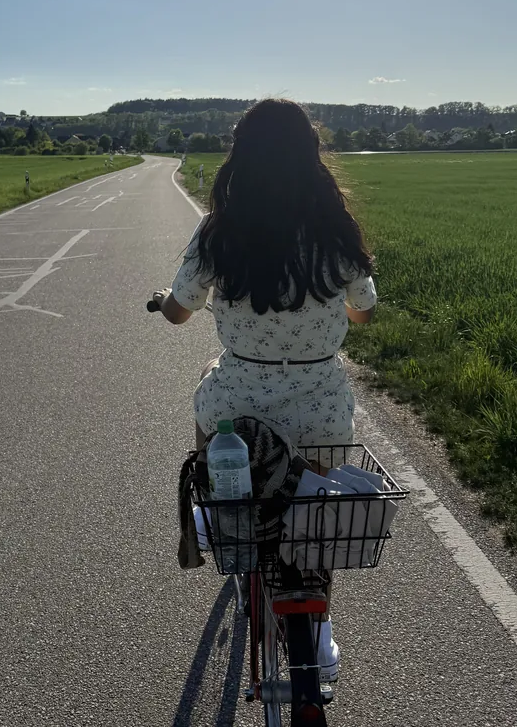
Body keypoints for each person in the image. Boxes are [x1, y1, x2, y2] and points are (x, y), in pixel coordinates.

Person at [152, 98, 376, 683]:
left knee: (209, 394)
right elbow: (364, 312)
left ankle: (211, 512)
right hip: (322, 412)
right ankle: (319, 628)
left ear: (240, 156)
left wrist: (167, 304)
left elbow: (179, 313)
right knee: (316, 524)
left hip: (240, 405)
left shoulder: (220, 231)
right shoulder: (334, 230)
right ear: (310, 155)